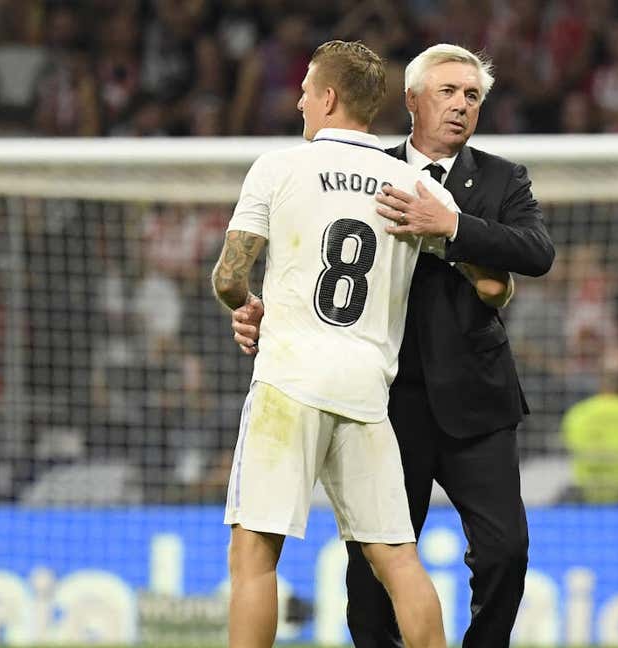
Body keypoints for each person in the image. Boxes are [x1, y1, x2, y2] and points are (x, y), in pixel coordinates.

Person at [232, 43, 555, 647]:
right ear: (411, 100)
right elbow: (318, 268)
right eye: (448, 92)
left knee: (505, 552)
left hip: (475, 401)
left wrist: (453, 226)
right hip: (386, 399)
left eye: (473, 96)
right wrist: (264, 314)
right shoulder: (372, 171)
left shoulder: (501, 179)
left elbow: (534, 254)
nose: (462, 106)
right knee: (373, 572)